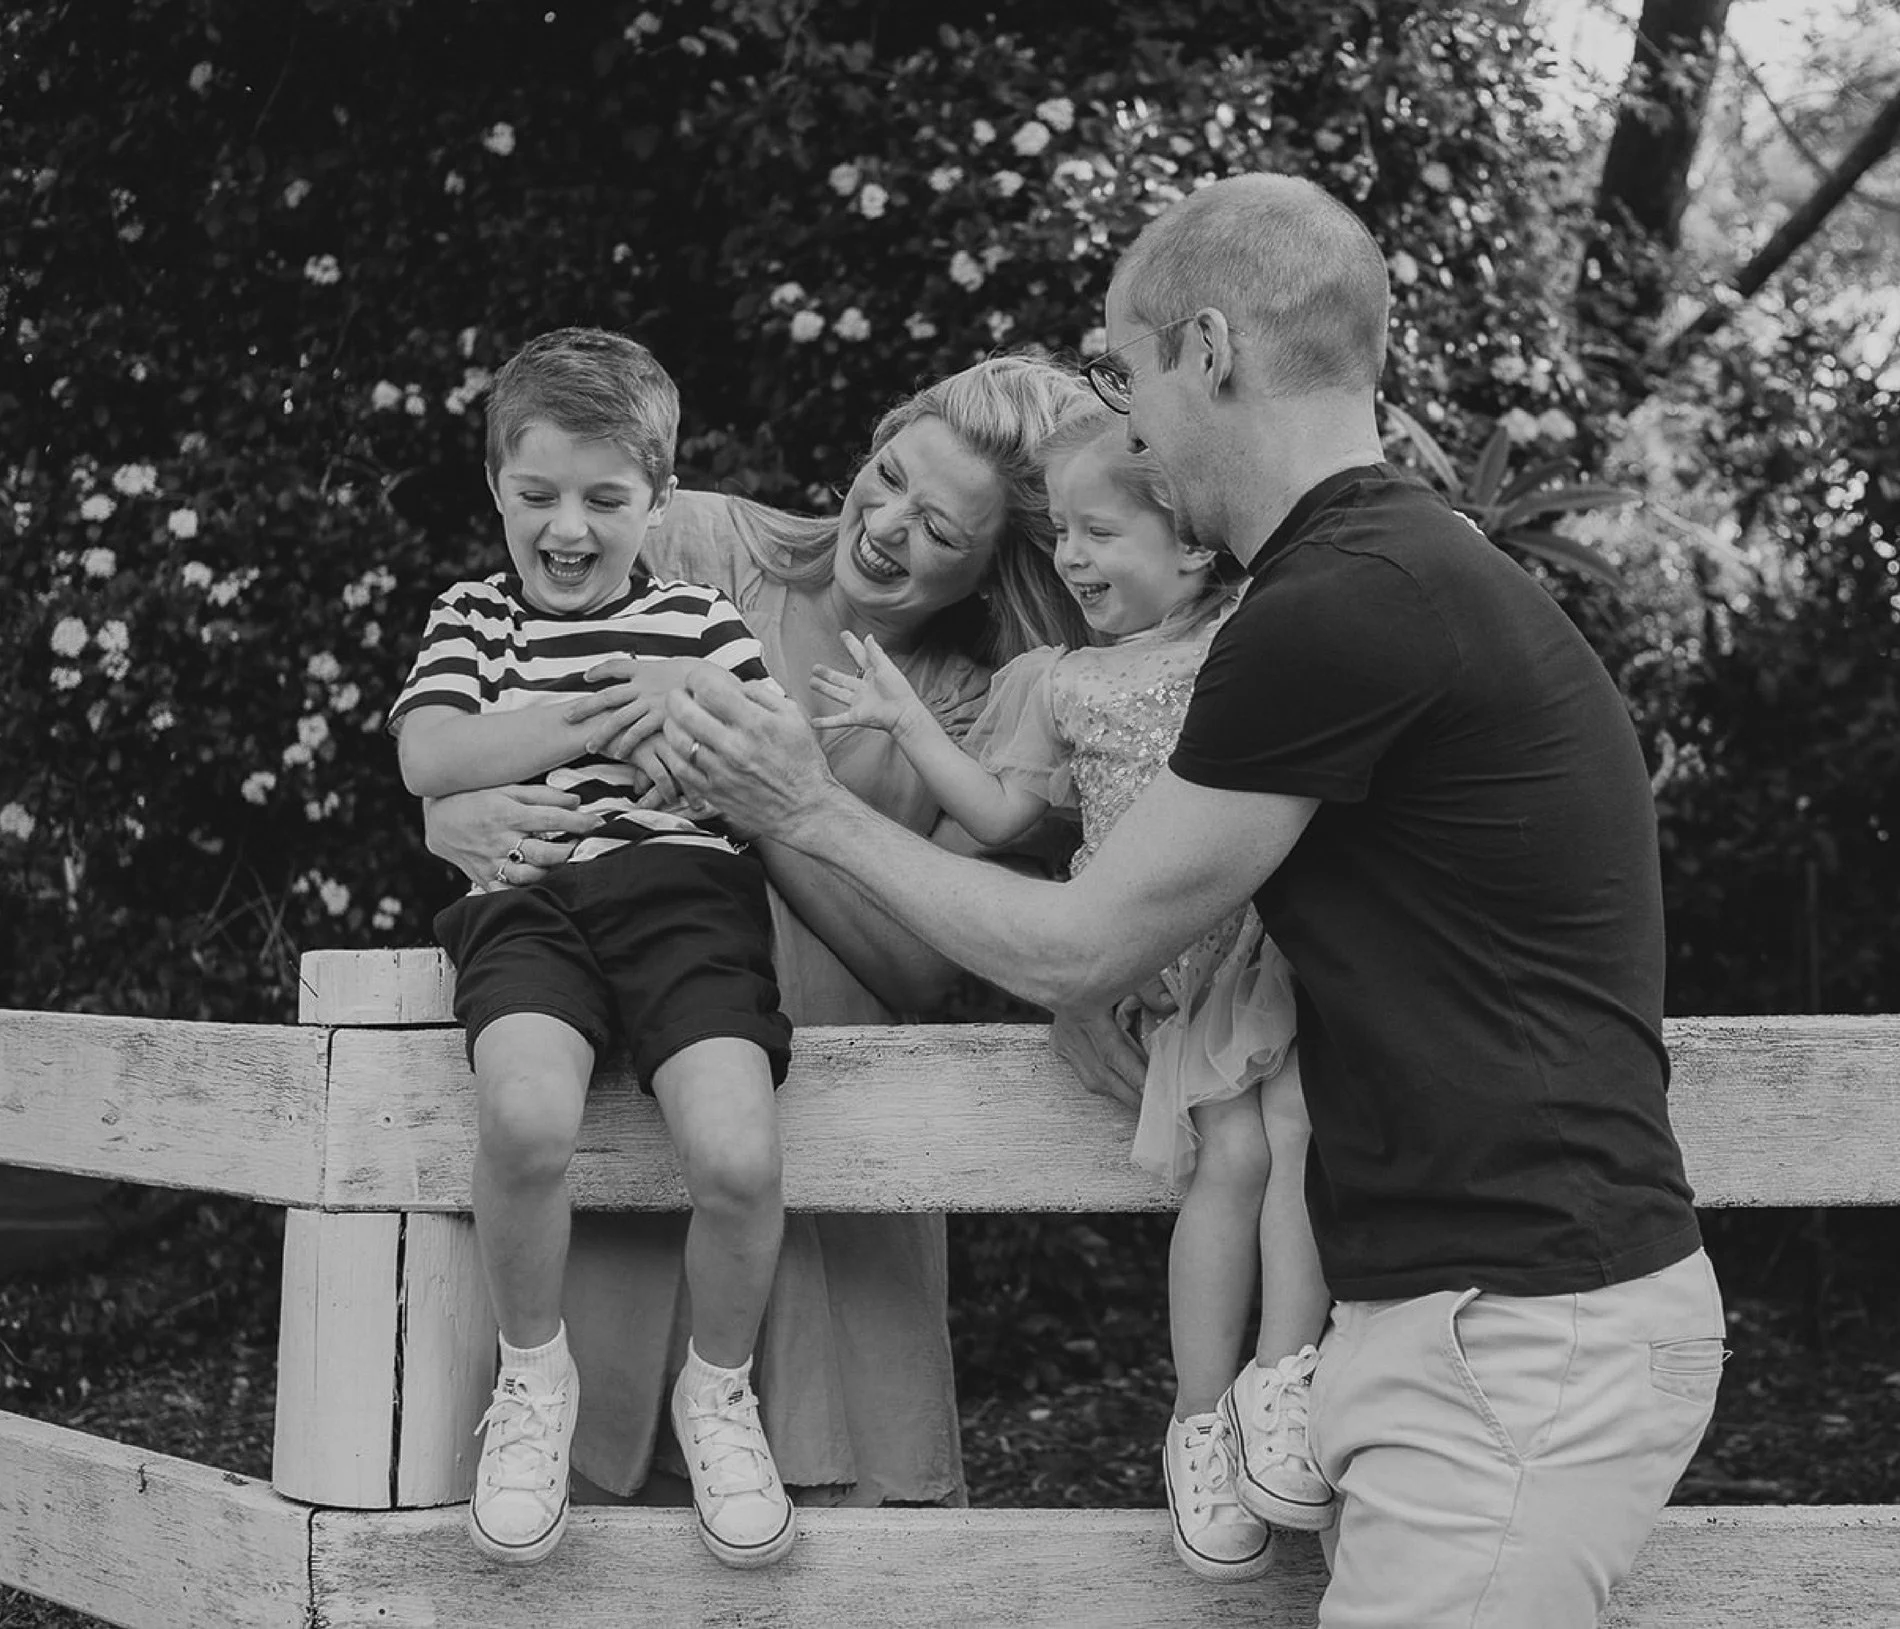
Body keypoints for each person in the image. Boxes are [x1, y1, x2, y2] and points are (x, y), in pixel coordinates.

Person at [658, 173, 1727, 1628]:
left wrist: (803, 806)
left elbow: (1088, 936)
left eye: (1122, 366)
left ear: (1209, 350)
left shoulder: (1341, 606)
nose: (1124, 420)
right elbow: (1185, 921)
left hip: (1515, 1328)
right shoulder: (1374, 578)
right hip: (1465, 1315)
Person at [417, 352, 1096, 1513]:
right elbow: (506, 699)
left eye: (936, 528)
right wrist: (449, 815)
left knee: (827, 1528)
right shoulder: (705, 543)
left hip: (826, 1130)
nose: (882, 527)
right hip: (621, 1082)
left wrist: (779, 810)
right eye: (884, 478)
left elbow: (924, 969)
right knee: (584, 1515)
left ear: (997, 563)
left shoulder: (988, 700)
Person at [807, 404, 1334, 1577]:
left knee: (1299, 1134)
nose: (1073, 560)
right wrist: (904, 721)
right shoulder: (1059, 683)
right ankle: (1199, 1415)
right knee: (1233, 1159)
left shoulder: (1260, 627)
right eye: (1063, 544)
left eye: (1099, 536)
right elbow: (997, 818)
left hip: (1262, 947)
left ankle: (1282, 1384)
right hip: (1157, 967)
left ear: (1195, 546)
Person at [388, 326, 798, 1570]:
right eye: (539, 496)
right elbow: (431, 758)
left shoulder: (703, 620)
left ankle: (717, 1394)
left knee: (735, 1153)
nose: (569, 528)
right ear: (497, 491)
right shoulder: (470, 616)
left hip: (684, 900)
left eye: (606, 499)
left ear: (658, 500)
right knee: (522, 1124)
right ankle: (532, 1381)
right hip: (531, 896)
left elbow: (768, 766)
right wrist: (594, 713)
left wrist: (692, 737)